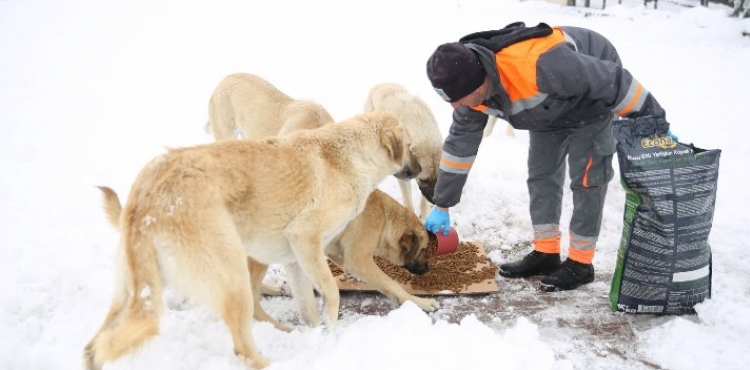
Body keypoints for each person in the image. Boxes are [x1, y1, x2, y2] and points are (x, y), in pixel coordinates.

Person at [423, 22, 671, 292]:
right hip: (549, 110)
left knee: (588, 178)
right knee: (542, 175)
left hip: (591, 100)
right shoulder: (469, 94)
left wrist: (654, 122)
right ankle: (546, 252)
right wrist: (442, 204)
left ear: (479, 81)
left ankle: (581, 263)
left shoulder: (539, 65)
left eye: (458, 98)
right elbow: (459, 148)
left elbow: (613, 82)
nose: (455, 106)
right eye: (449, 100)